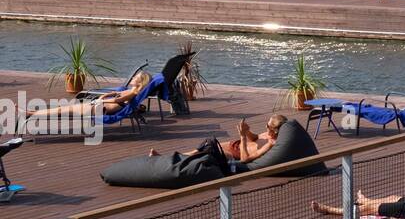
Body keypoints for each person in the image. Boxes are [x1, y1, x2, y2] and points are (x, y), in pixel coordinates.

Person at [24, 70, 152, 127]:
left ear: (139, 83)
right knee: (62, 109)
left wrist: (101, 99)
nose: (133, 77)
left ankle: (32, 114)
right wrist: (105, 96)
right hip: (99, 106)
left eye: (136, 77)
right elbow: (115, 95)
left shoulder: (133, 93)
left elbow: (116, 100)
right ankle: (32, 113)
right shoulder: (131, 91)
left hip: (99, 109)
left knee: (61, 111)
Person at [148, 114, 286, 163]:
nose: (265, 127)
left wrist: (243, 136)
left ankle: (164, 159)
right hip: (234, 144)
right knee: (206, 144)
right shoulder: (266, 134)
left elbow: (245, 159)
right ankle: (167, 158)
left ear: (274, 131)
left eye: (267, 126)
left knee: (205, 151)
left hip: (234, 155)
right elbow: (255, 138)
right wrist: (247, 130)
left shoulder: (270, 144)